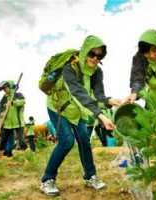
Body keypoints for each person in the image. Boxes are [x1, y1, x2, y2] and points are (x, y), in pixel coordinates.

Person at [40, 35, 122, 196]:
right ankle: (47, 180)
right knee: (67, 141)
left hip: (77, 109)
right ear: (85, 52)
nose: (95, 58)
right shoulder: (70, 69)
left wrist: (109, 101)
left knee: (84, 141)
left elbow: (98, 95)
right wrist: (101, 116)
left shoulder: (97, 72)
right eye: (92, 54)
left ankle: (90, 177)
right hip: (59, 107)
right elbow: (79, 93)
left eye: (99, 56)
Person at [0, 80, 27, 160]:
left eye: (5, 88)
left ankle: (26, 158)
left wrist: (13, 102)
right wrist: (1, 114)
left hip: (18, 123)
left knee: (21, 141)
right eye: (2, 89)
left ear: (10, 87)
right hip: (7, 124)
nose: (4, 90)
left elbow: (23, 102)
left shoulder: (18, 95)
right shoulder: (4, 99)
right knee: (3, 141)